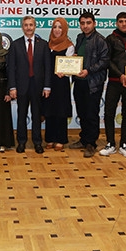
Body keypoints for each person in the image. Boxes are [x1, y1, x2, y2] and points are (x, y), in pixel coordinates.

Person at [100, 12, 126, 158]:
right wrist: (120, 75)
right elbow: (108, 60)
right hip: (114, 81)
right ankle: (110, 143)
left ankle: (124, 144)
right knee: (109, 113)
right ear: (116, 23)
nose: (124, 24)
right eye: (121, 21)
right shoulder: (110, 39)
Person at [8, 16, 51, 154]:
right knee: (21, 115)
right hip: (21, 86)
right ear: (22, 27)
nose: (28, 27)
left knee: (37, 115)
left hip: (38, 86)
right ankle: (21, 142)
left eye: (31, 25)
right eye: (26, 25)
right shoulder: (15, 45)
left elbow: (48, 67)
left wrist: (47, 86)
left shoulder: (43, 44)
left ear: (35, 26)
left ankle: (37, 142)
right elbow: (11, 68)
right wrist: (12, 87)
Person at [69, 12, 109, 158]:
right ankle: (84, 139)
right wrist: (74, 58)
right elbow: (80, 56)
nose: (85, 26)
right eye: (82, 23)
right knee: (82, 112)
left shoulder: (100, 40)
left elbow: (104, 61)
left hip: (93, 83)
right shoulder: (80, 38)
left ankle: (91, 143)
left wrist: (88, 70)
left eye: (88, 23)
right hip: (79, 82)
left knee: (91, 114)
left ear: (94, 23)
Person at [43, 17, 74, 151]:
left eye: (60, 27)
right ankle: (50, 138)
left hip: (61, 83)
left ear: (64, 29)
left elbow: (71, 66)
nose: (57, 30)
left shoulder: (69, 46)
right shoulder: (47, 45)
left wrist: (65, 72)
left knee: (60, 110)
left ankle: (61, 139)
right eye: (55, 27)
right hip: (48, 82)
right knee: (49, 110)